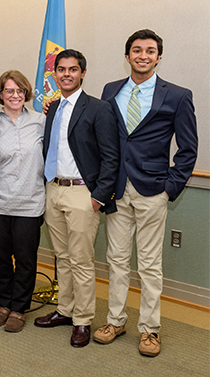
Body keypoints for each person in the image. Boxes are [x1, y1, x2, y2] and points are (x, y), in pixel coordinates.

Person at [93, 29, 198, 357]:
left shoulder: (178, 95)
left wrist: (170, 188)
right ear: (127, 56)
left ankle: (150, 329)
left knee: (150, 264)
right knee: (116, 260)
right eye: (136, 50)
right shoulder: (111, 90)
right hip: (116, 190)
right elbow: (104, 138)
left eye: (150, 51)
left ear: (158, 56)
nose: (143, 55)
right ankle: (115, 320)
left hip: (153, 191)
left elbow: (188, 149)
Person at [33, 49, 119, 348]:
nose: (66, 74)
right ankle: (65, 310)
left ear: (82, 73)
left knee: (82, 260)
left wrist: (99, 197)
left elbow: (111, 157)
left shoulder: (99, 108)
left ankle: (82, 319)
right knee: (63, 257)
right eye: (61, 69)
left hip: (84, 193)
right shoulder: (53, 107)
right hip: (53, 189)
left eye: (72, 69)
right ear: (54, 74)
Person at [0, 70, 46, 333]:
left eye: (20, 90)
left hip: (31, 203)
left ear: (26, 93)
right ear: (0, 94)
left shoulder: (41, 121)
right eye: (9, 90)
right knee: (0, 257)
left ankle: (19, 308)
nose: (15, 95)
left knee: (25, 259)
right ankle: (3, 303)